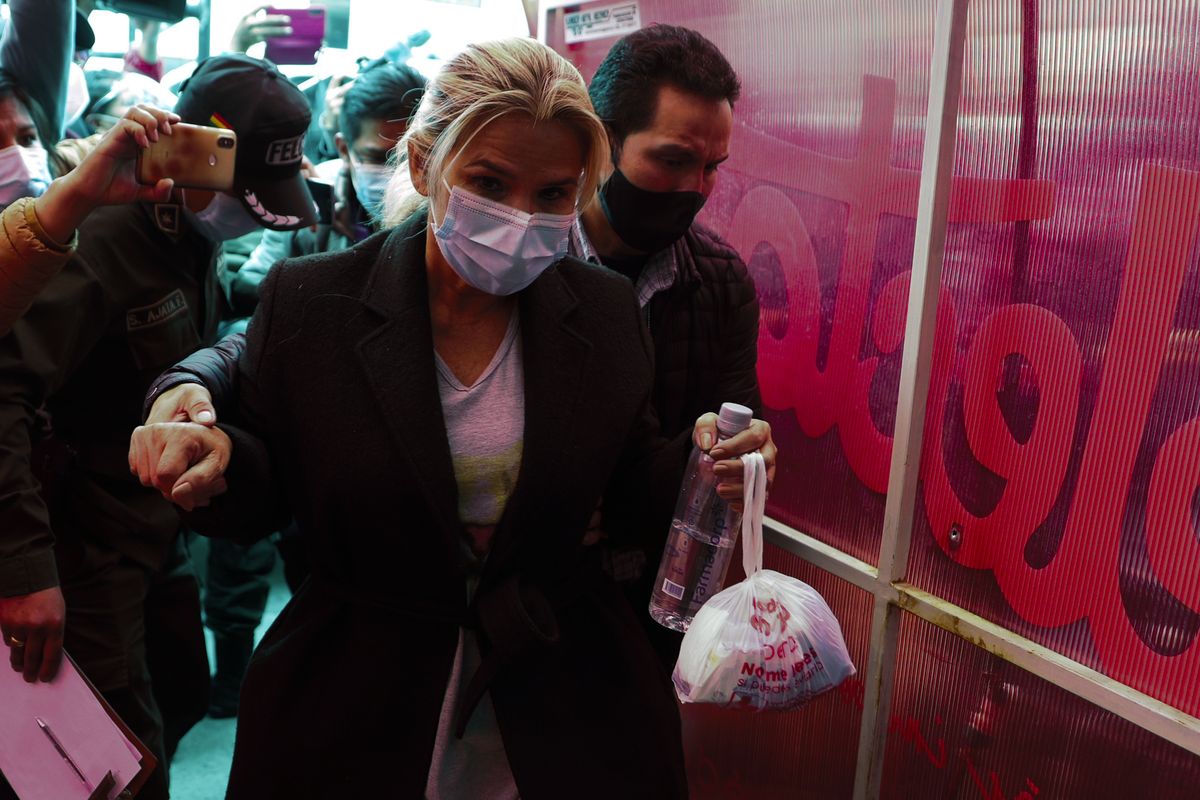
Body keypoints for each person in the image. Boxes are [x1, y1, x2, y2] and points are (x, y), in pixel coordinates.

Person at [129, 37, 773, 798]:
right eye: (490, 182)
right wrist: (216, 463)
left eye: (552, 194)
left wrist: (707, 460)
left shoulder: (599, 312)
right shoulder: (315, 302)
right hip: (360, 688)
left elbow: (626, 483)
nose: (518, 218)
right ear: (424, 164)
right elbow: (269, 479)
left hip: (556, 688)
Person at [0, 52, 318, 800]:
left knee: (180, 694)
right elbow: (4, 395)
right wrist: (24, 572)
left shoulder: (188, 236)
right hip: (79, 547)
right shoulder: (100, 240)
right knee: (111, 759)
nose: (248, 209)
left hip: (149, 533)